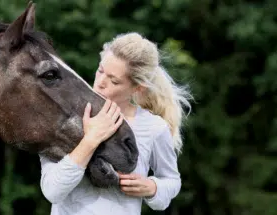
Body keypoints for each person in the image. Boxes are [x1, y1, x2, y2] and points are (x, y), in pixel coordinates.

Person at [38, 32, 193, 215]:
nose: (100, 83)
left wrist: (152, 188)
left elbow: (171, 181)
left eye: (114, 80)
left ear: (137, 88)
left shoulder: (154, 128)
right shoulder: (64, 115)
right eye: (100, 70)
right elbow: (52, 191)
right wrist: (91, 140)